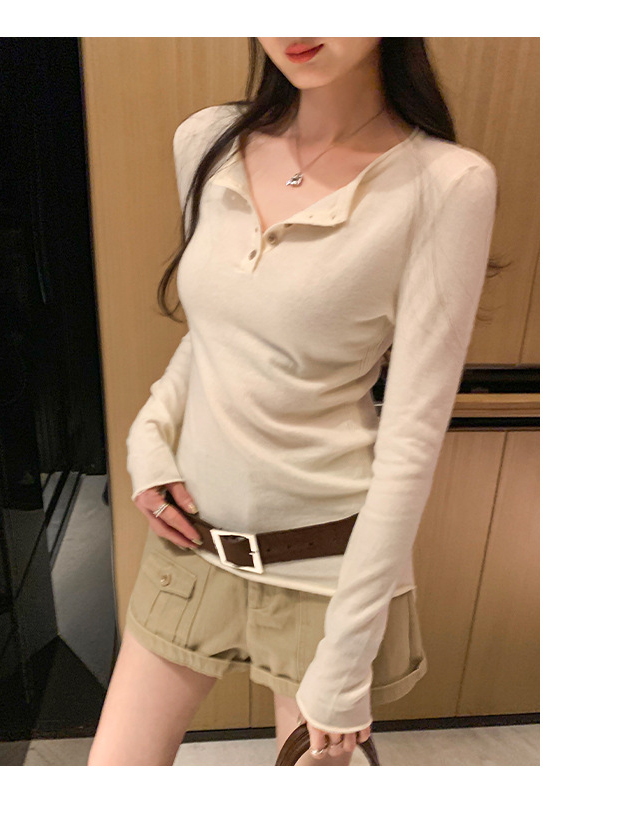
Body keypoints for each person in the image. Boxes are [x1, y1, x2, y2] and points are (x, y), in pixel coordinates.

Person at [88, 37, 499, 766]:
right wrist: (148, 442)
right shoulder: (206, 140)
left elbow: (410, 443)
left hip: (327, 566)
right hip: (191, 544)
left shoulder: (447, 183)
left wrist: (346, 663)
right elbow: (214, 335)